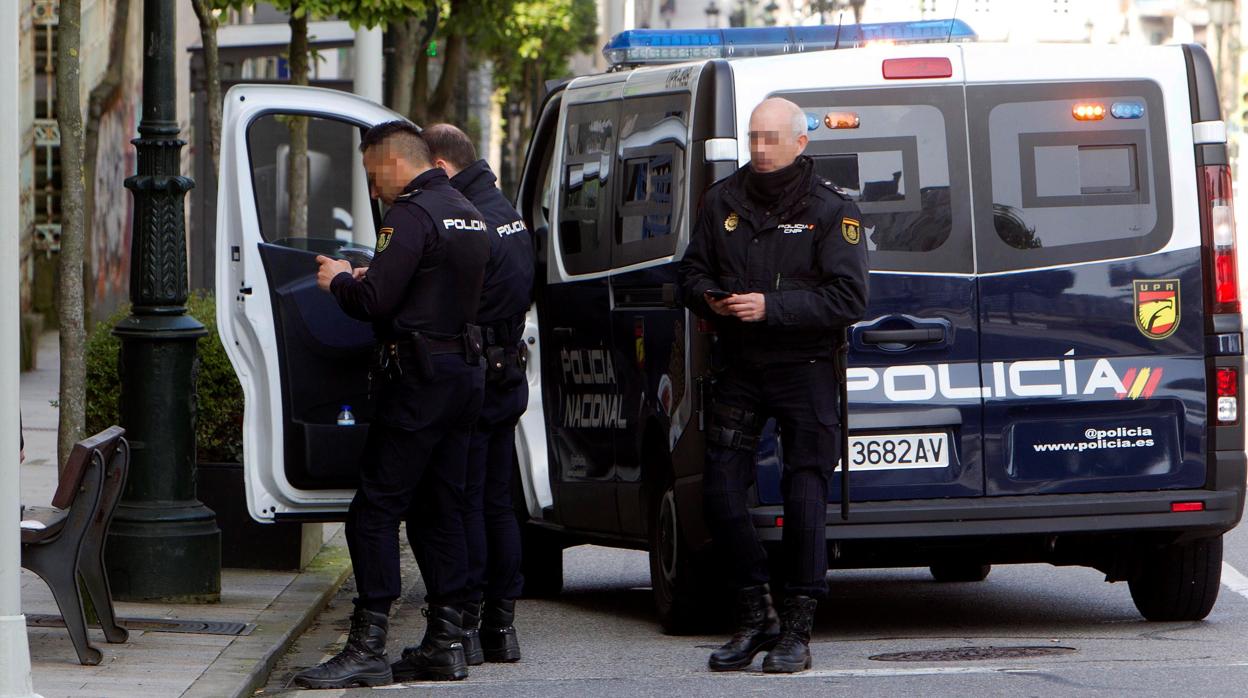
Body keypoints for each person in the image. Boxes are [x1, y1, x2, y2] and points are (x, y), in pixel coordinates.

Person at [293, 121, 491, 689]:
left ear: (388, 162)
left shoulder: (408, 213)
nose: (372, 187)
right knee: (440, 508)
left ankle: (367, 646)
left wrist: (339, 281)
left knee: (373, 511)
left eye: (370, 174)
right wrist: (378, 279)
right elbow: (435, 286)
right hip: (463, 374)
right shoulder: (465, 208)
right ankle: (447, 642)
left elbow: (377, 301)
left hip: (417, 381)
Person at [678, 97, 869, 674]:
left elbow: (850, 298)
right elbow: (690, 271)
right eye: (754, 138)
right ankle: (755, 614)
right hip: (739, 366)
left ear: (799, 142)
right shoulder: (723, 200)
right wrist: (709, 297)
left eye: (771, 139)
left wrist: (772, 307)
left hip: (805, 368)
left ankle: (799, 628)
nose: (760, 149)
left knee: (804, 495)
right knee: (718, 492)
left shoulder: (831, 209)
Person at [415, 123, 534, 666]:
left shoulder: (466, 217)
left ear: (440, 167)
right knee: (498, 502)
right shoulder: (504, 208)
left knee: (460, 500)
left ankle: (460, 624)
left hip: (476, 368)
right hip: (508, 366)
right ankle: (500, 628)